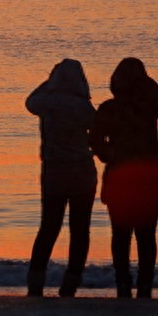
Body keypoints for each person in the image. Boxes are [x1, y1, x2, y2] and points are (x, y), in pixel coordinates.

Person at [89, 58, 158, 299]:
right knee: (146, 235)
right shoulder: (148, 107)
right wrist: (149, 83)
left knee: (121, 234)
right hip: (147, 179)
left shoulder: (110, 108)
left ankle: (124, 284)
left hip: (120, 178)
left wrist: (108, 155)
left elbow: (95, 141)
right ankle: (143, 284)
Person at [25, 59, 97, 298]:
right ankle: (70, 284)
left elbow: (30, 101)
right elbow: (98, 127)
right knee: (80, 231)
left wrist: (49, 83)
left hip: (54, 172)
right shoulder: (82, 106)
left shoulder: (46, 103)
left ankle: (35, 283)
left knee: (48, 228)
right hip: (81, 173)